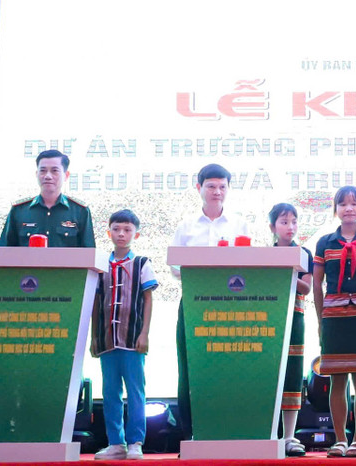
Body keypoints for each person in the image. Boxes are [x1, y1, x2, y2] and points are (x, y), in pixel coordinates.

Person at [169, 163, 249, 440]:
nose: (217, 192)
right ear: (199, 188)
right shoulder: (186, 226)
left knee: (231, 365)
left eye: (222, 187)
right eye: (211, 186)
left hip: (232, 306)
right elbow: (175, 268)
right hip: (194, 303)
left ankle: (232, 428)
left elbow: (249, 264)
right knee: (190, 367)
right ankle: (191, 433)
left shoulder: (239, 224)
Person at [312, 186, 356, 458]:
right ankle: (340, 439)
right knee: (337, 380)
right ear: (336, 210)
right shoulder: (325, 243)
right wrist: (321, 319)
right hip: (333, 315)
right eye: (343, 204)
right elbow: (317, 284)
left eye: (354, 204)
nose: (349, 208)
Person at [91, 210, 159, 460]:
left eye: (127, 230)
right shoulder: (100, 265)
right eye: (116, 229)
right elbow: (95, 301)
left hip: (132, 339)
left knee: (135, 391)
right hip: (107, 339)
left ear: (136, 234)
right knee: (110, 392)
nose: (121, 234)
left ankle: (135, 442)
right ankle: (115, 443)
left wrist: (144, 333)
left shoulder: (142, 263)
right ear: (108, 232)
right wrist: (94, 336)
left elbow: (148, 299)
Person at [269, 203, 313, 457]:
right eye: (284, 222)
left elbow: (306, 288)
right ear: (272, 227)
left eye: (294, 222)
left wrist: (285, 273)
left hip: (295, 318)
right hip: (270, 319)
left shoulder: (303, 253)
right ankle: (269, 434)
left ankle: (289, 436)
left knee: (293, 373)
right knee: (270, 373)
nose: (290, 227)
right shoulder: (265, 255)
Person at [0, 149, 95, 247]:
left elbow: (89, 252)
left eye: (54, 171)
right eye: (43, 171)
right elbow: (4, 250)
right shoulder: (19, 210)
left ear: (66, 175)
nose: (48, 176)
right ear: (36, 174)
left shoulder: (80, 211)